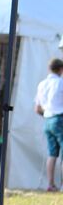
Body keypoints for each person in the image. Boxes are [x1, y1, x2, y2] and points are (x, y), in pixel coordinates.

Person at [34, 57, 63, 191]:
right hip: (59, 117)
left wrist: (48, 115)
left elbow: (37, 108)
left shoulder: (42, 84)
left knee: (52, 153)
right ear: (61, 69)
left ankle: (50, 184)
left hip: (47, 119)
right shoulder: (60, 82)